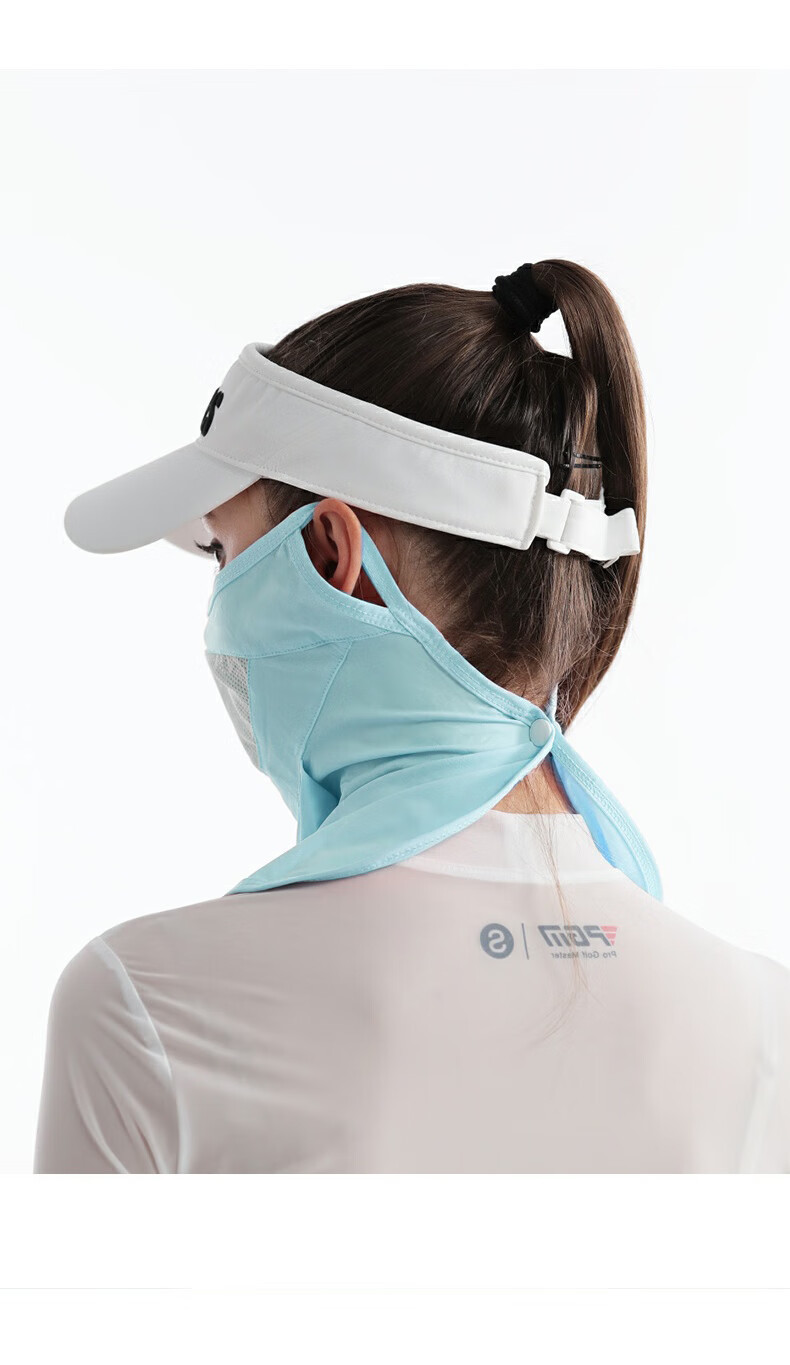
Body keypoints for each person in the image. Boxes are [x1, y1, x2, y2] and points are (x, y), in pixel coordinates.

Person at [34, 260, 790, 1173]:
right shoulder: (761, 1027)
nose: (218, 606)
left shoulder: (146, 1013)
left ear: (330, 554)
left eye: (225, 553)